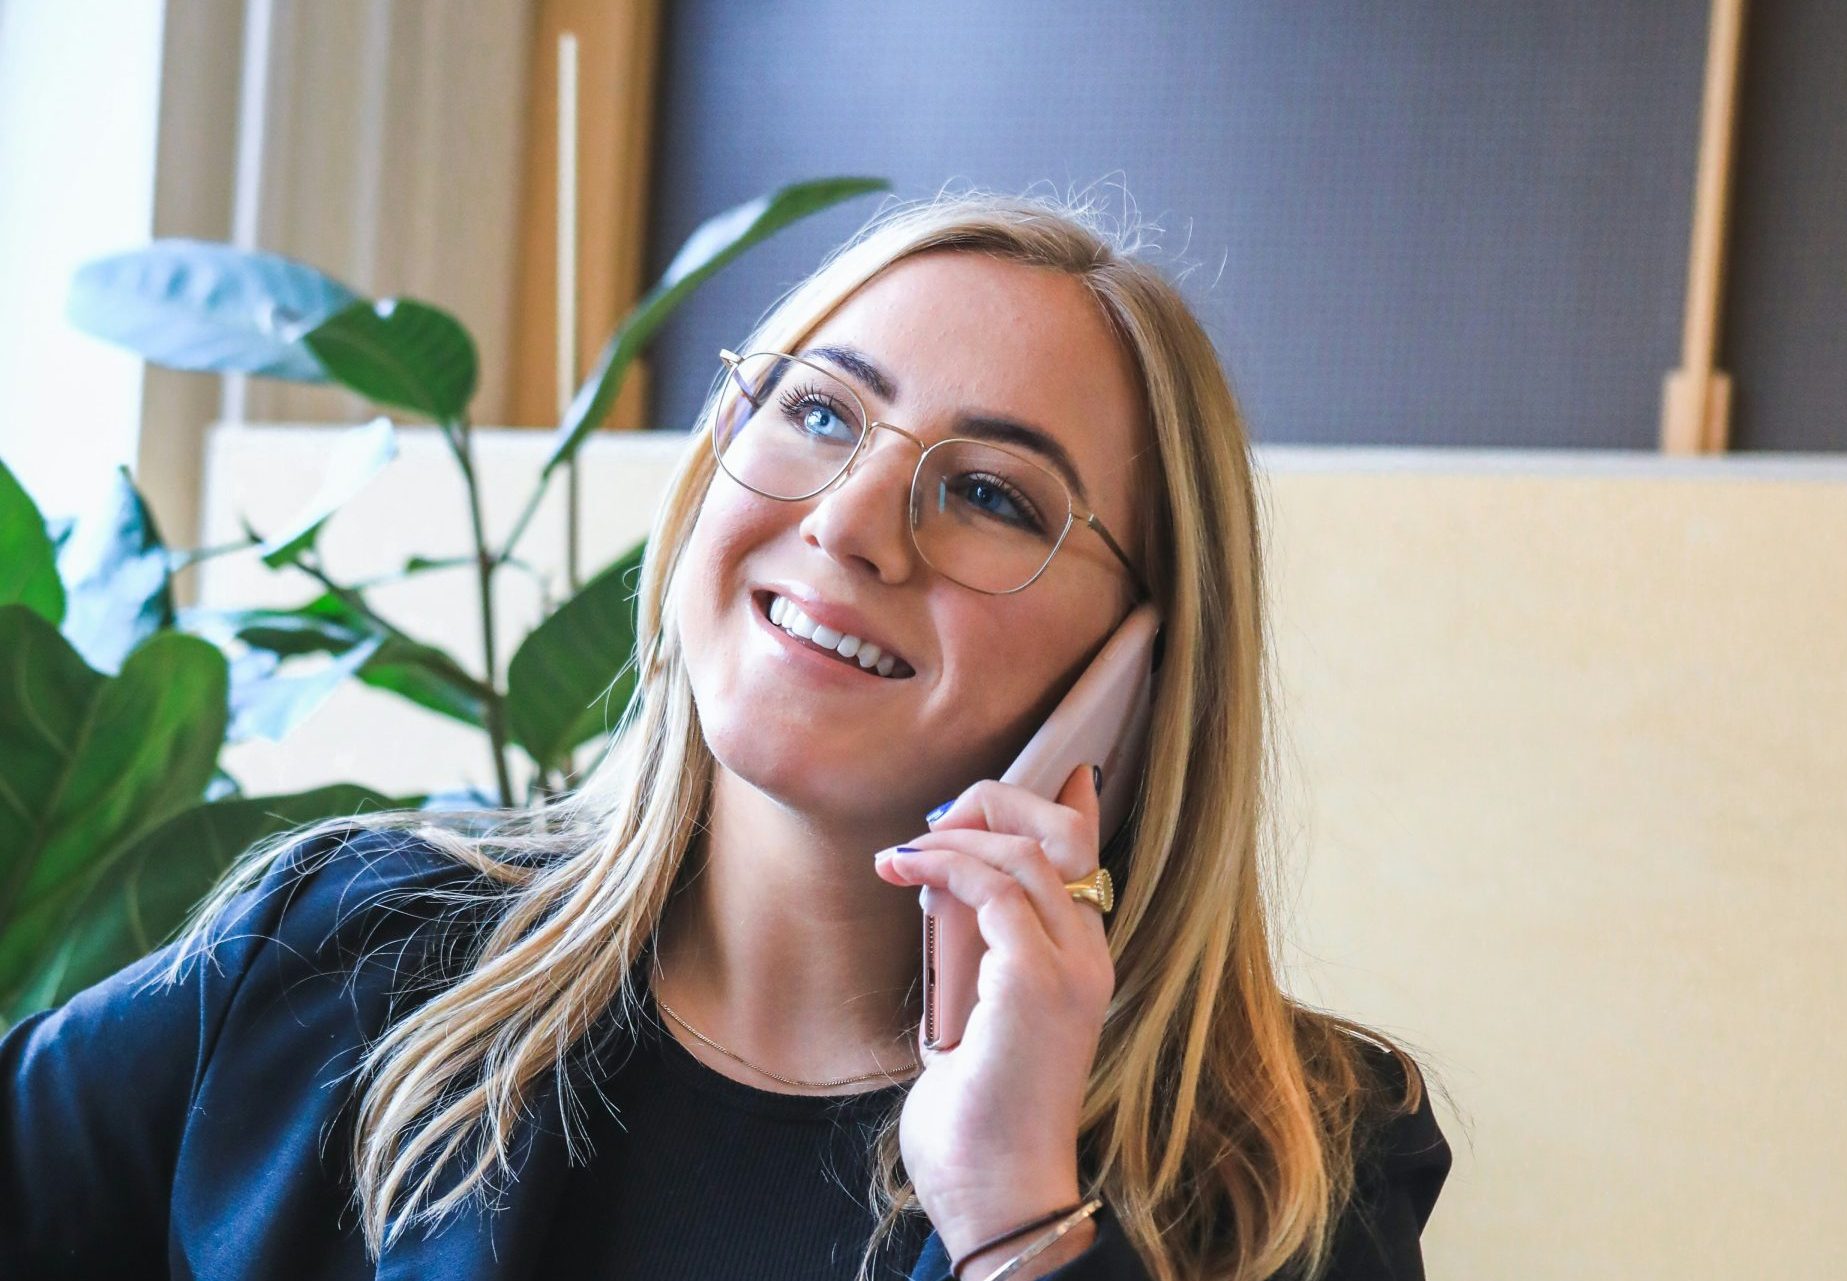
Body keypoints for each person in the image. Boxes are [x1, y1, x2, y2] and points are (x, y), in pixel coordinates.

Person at [0, 188, 1451, 1280]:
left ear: (1143, 659)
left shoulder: (1294, 1158)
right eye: (820, 412)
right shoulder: (332, 954)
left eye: (996, 494)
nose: (848, 522)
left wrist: (1015, 1205)